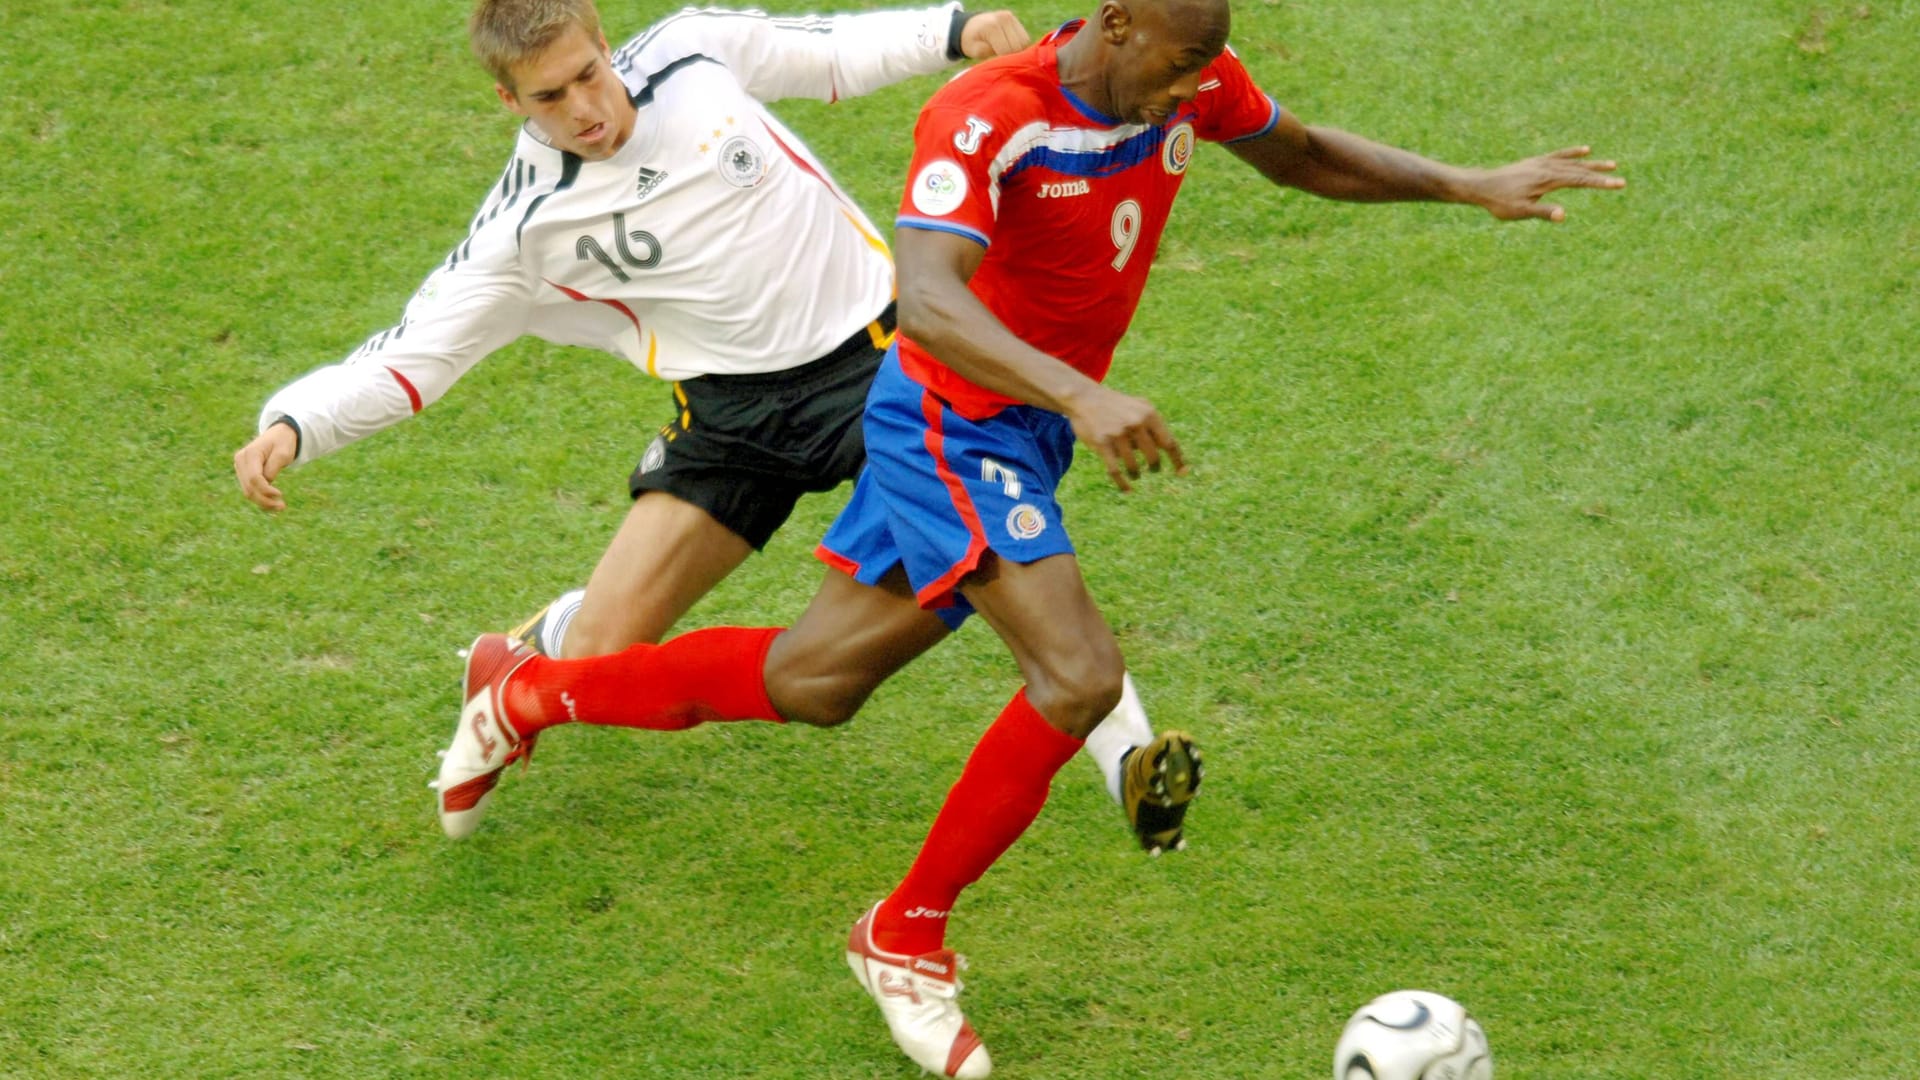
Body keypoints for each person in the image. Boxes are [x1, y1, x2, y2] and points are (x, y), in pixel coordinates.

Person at [437, 0, 1623, 1073]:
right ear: (1114, 25)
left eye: (1208, 64)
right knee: (1077, 672)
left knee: (817, 681)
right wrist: (1082, 396)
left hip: (1025, 430)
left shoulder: (1191, 79)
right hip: (950, 423)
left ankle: (529, 694)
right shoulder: (990, 115)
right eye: (1179, 61)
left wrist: (1467, 182)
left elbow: (1300, 154)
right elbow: (936, 302)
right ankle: (903, 937)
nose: (1194, 89)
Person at [230, 0, 1203, 852]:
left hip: (884, 366)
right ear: (509, 104)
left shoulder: (693, 55)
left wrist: (951, 32)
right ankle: (512, 667)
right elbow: (413, 357)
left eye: (589, 74)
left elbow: (825, 55)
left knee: (994, 536)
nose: (587, 108)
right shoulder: (523, 228)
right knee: (603, 655)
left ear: (606, 43)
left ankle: (1125, 755)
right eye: (551, 98)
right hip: (734, 419)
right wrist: (293, 424)